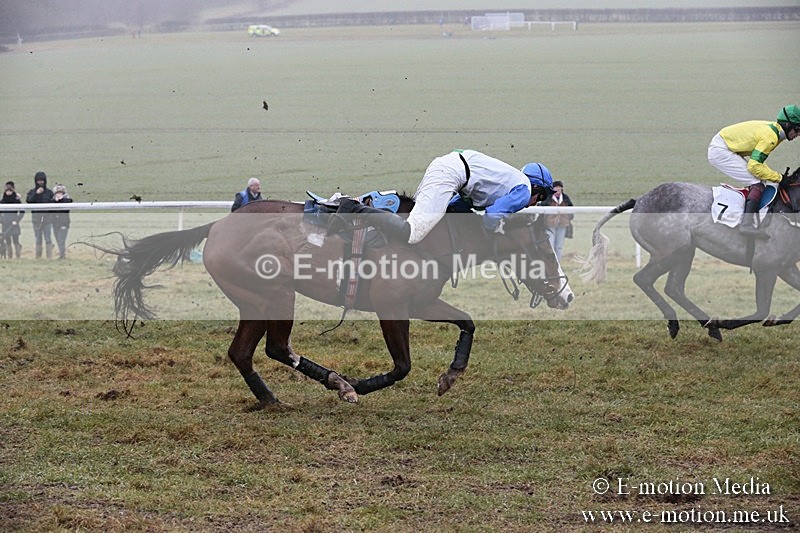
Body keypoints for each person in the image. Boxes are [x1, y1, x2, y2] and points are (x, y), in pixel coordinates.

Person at [331, 150, 554, 244]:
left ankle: (358, 203)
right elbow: (492, 216)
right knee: (413, 234)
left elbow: (458, 207)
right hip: (453, 173)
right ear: (537, 188)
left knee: (418, 215)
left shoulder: (504, 182)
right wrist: (499, 230)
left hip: (450, 168)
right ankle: (353, 207)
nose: (531, 204)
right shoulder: (524, 190)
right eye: (540, 198)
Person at [707, 104, 800, 239]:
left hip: (727, 146)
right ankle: (746, 224)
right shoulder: (771, 137)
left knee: (763, 178)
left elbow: (757, 162)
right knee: (757, 182)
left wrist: (775, 176)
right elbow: (754, 166)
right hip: (721, 151)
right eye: (797, 129)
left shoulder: (775, 131)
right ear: (787, 125)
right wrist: (779, 178)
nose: (798, 134)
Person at [542, 180, 574, 262]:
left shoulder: (565, 198)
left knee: (559, 247)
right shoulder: (548, 198)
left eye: (559, 189)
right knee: (551, 245)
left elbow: (571, 210)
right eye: (556, 189)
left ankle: (557, 263)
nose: (557, 191)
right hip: (550, 225)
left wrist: (567, 219)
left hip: (562, 225)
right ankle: (550, 263)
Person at [26, 171, 54, 259]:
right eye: (39, 180)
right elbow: (29, 201)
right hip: (36, 220)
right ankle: (38, 256)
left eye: (42, 180)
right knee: (38, 239)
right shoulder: (32, 192)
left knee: (48, 239)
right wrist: (36, 194)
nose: (40, 182)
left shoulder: (49, 192)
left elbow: (53, 204)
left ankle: (49, 257)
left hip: (47, 220)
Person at [0, 181, 24, 259]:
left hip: (14, 224)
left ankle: (18, 256)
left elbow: (22, 212)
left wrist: (16, 220)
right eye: (7, 191)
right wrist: (2, 220)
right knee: (8, 242)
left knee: (15, 241)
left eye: (10, 191)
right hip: (5, 224)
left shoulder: (17, 201)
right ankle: (9, 257)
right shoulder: (2, 201)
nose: (8, 192)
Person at [51, 184, 73, 260]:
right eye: (57, 193)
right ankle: (62, 253)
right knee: (58, 240)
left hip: (64, 224)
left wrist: (61, 200)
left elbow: (69, 203)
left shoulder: (67, 200)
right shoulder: (52, 201)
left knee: (61, 240)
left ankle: (62, 256)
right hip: (55, 224)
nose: (59, 194)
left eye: (60, 193)